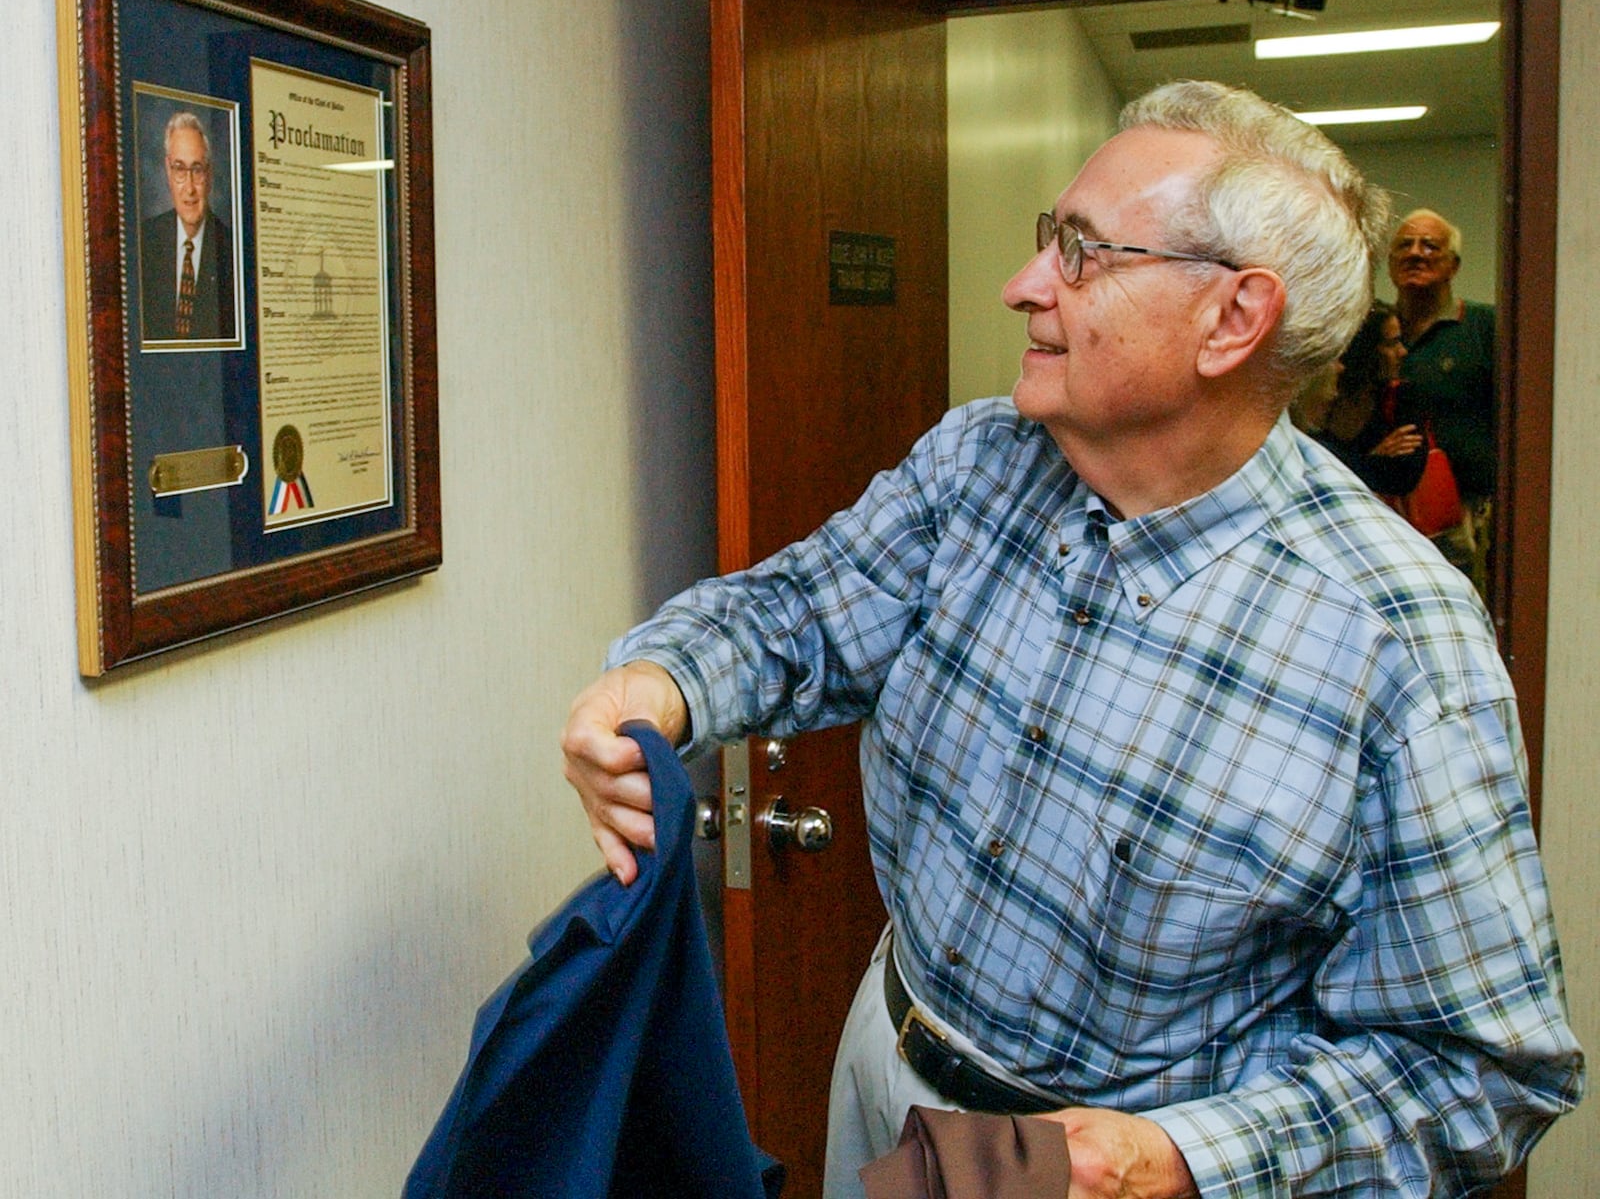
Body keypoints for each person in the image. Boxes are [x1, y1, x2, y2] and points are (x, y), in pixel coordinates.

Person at [561, 81, 1582, 1198]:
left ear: (1233, 318)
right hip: (887, 1060)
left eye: (1082, 252)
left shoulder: (1400, 643)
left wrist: (1182, 1159)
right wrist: (656, 681)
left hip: (1111, 1174)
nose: (1023, 285)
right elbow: (801, 607)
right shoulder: (980, 459)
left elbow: (1479, 1069)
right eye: (1052, 238)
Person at [1387, 209, 1495, 596]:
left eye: (1430, 245)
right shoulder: (1373, 330)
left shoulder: (1486, 328)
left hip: (1468, 526)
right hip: (1388, 517)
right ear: (1391, 263)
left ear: (1453, 265)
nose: (1416, 253)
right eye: (1405, 245)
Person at [1297, 305, 1425, 498]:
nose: (1403, 352)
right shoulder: (1322, 393)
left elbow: (1404, 478)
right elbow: (1304, 466)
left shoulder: (1401, 397)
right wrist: (1374, 459)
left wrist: (1355, 464)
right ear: (1365, 349)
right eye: (1392, 344)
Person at [139, 110, 237, 343]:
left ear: (209, 174)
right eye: (180, 169)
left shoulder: (232, 250)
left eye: (197, 170)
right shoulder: (144, 242)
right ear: (167, 171)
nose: (190, 188)